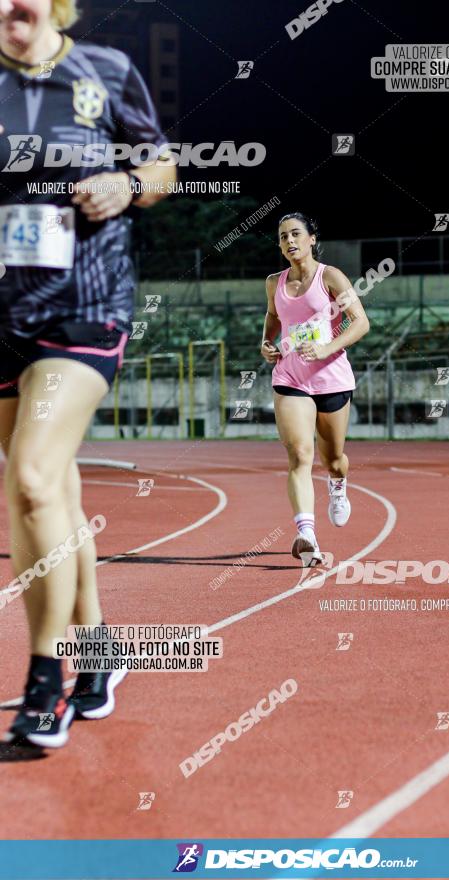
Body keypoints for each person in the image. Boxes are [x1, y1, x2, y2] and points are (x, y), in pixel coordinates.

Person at [0, 0, 176, 748]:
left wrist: (129, 187)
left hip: (85, 309)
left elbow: (163, 164)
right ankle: (101, 652)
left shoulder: (105, 70)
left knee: (33, 477)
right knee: (55, 492)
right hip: (3, 313)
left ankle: (47, 681)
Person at [261, 213, 369, 565]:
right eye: (282, 237)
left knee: (333, 459)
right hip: (290, 377)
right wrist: (266, 342)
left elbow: (361, 322)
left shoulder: (331, 277)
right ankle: (306, 533)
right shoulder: (273, 282)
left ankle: (337, 485)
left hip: (331, 379)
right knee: (300, 454)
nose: (289, 241)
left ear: (311, 238)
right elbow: (274, 316)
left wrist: (327, 347)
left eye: (295, 234)